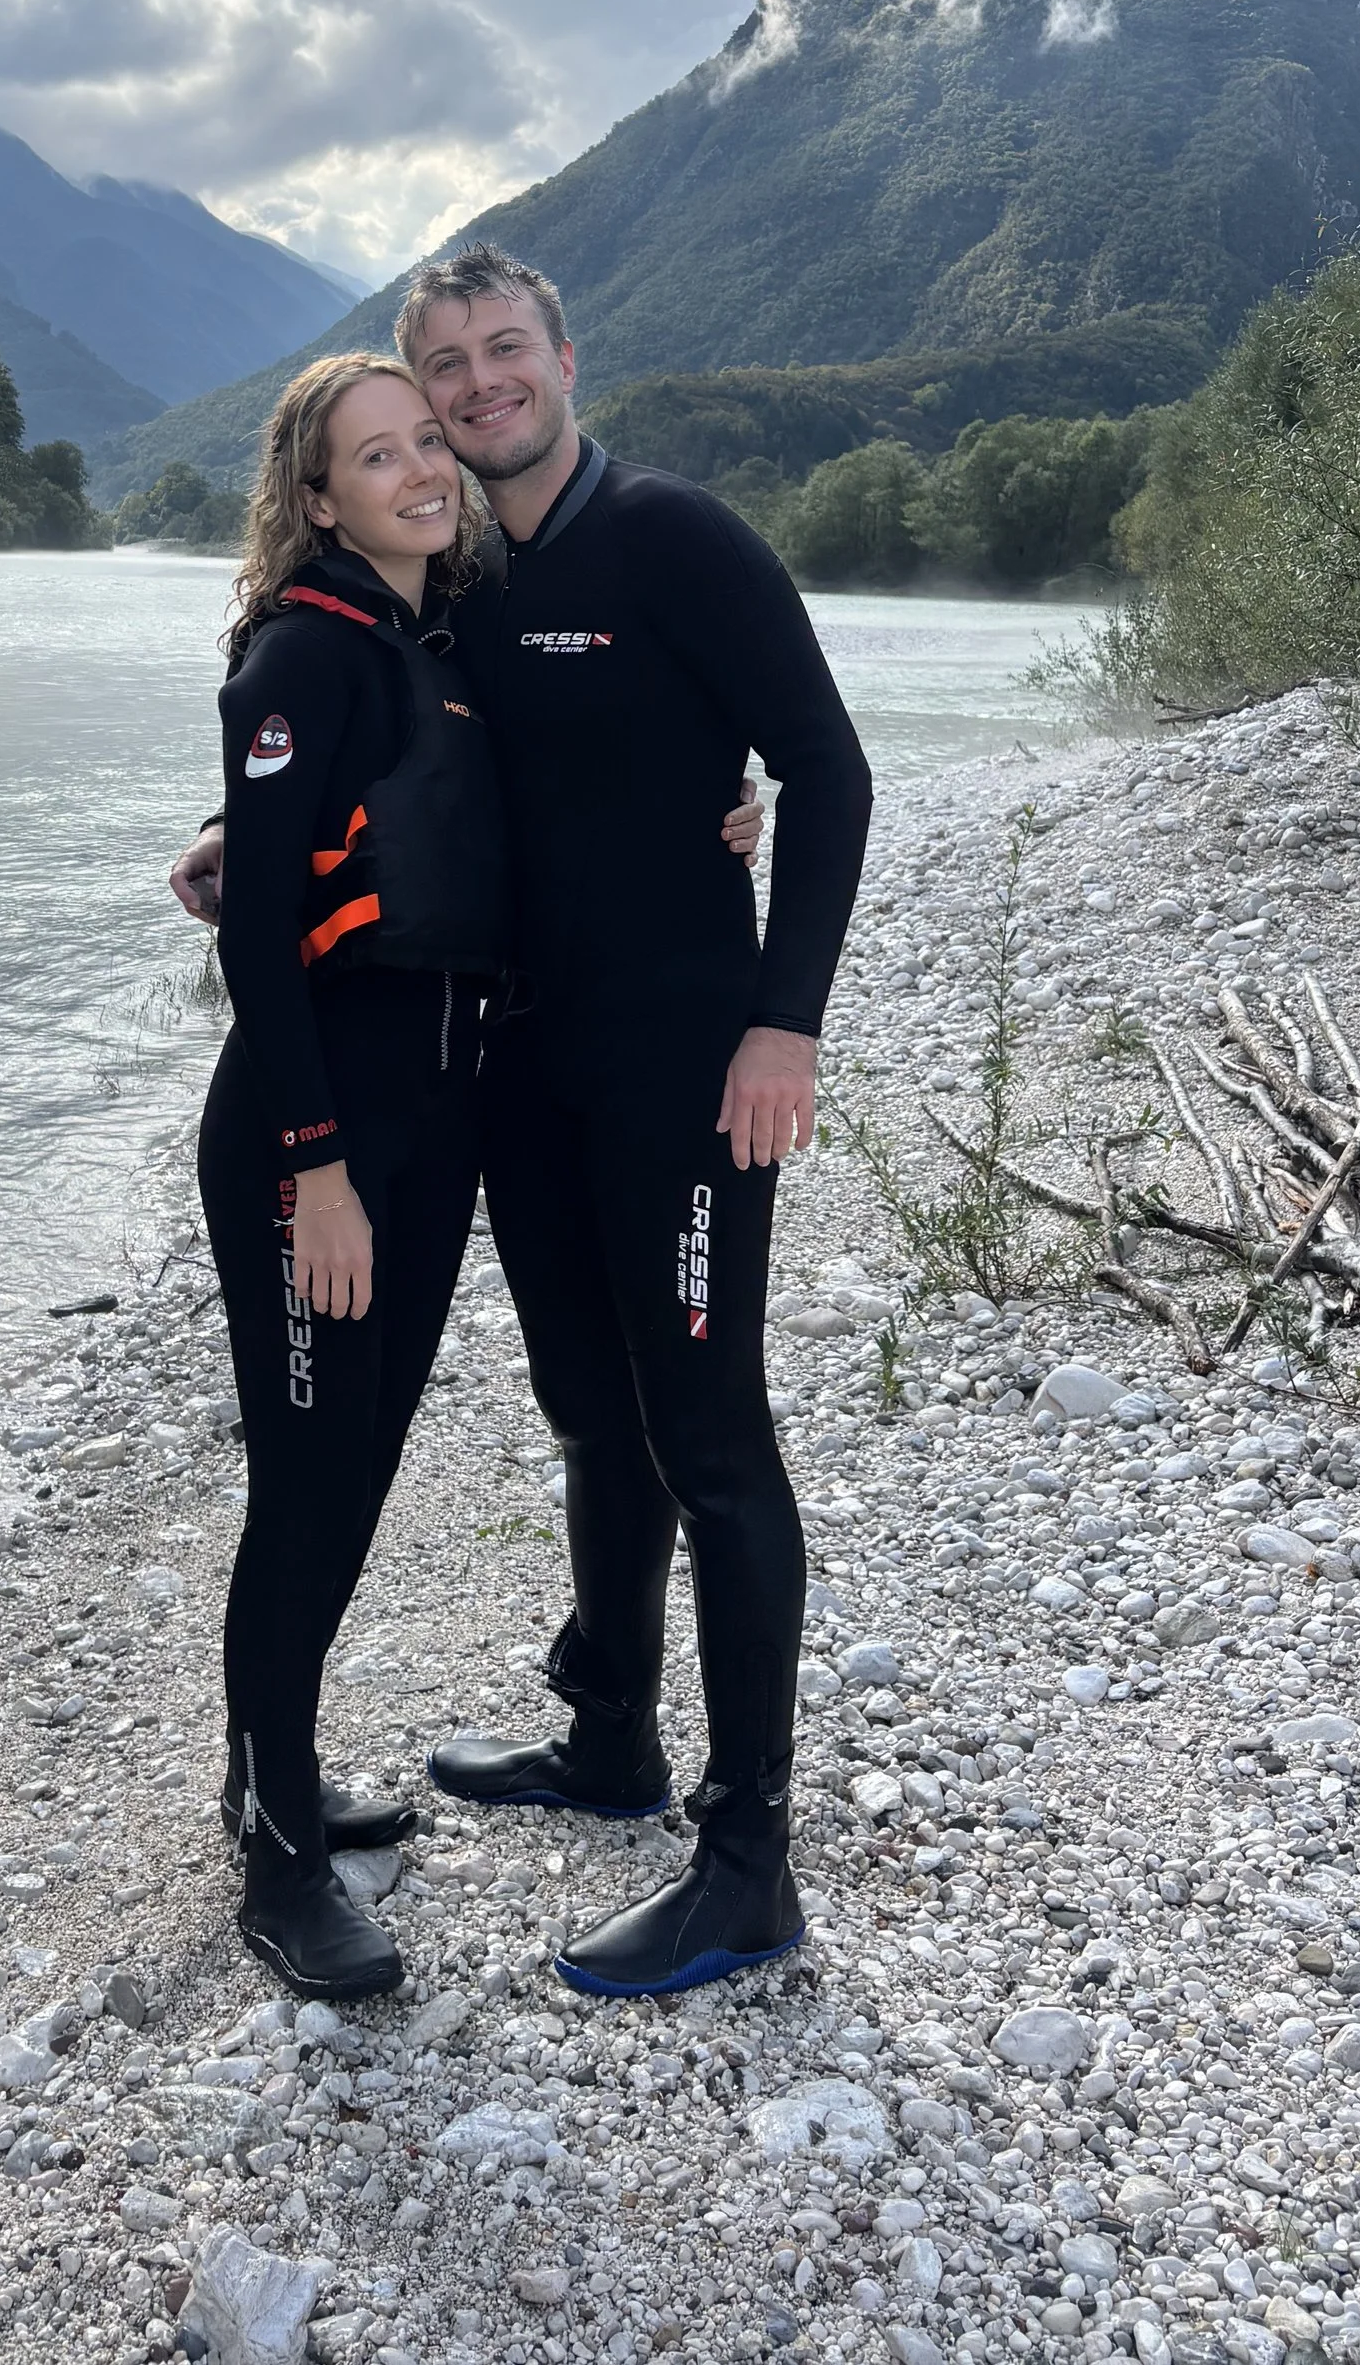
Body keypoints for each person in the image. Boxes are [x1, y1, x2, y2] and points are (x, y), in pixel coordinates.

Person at [176, 244, 873, 2000]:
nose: (473, 395)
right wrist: (238, 844)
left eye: (499, 356)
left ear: (565, 355)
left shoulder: (678, 541)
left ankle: (747, 1859)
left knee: (712, 1440)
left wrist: (786, 1018)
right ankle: (612, 1737)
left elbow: (829, 770)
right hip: (521, 1084)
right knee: (588, 1409)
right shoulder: (460, 574)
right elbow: (394, 763)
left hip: (689, 1073)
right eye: (435, 376)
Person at [199, 351, 505, 2001]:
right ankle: (273, 1853)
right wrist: (316, 1172)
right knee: (309, 1486)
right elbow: (263, 923)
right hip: (314, 1144)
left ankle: (276, 1767)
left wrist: (722, 814)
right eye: (375, 457)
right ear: (316, 498)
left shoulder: (424, 643)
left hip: (430, 1130)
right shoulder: (304, 651)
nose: (417, 472)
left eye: (427, 446)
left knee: (358, 1471)